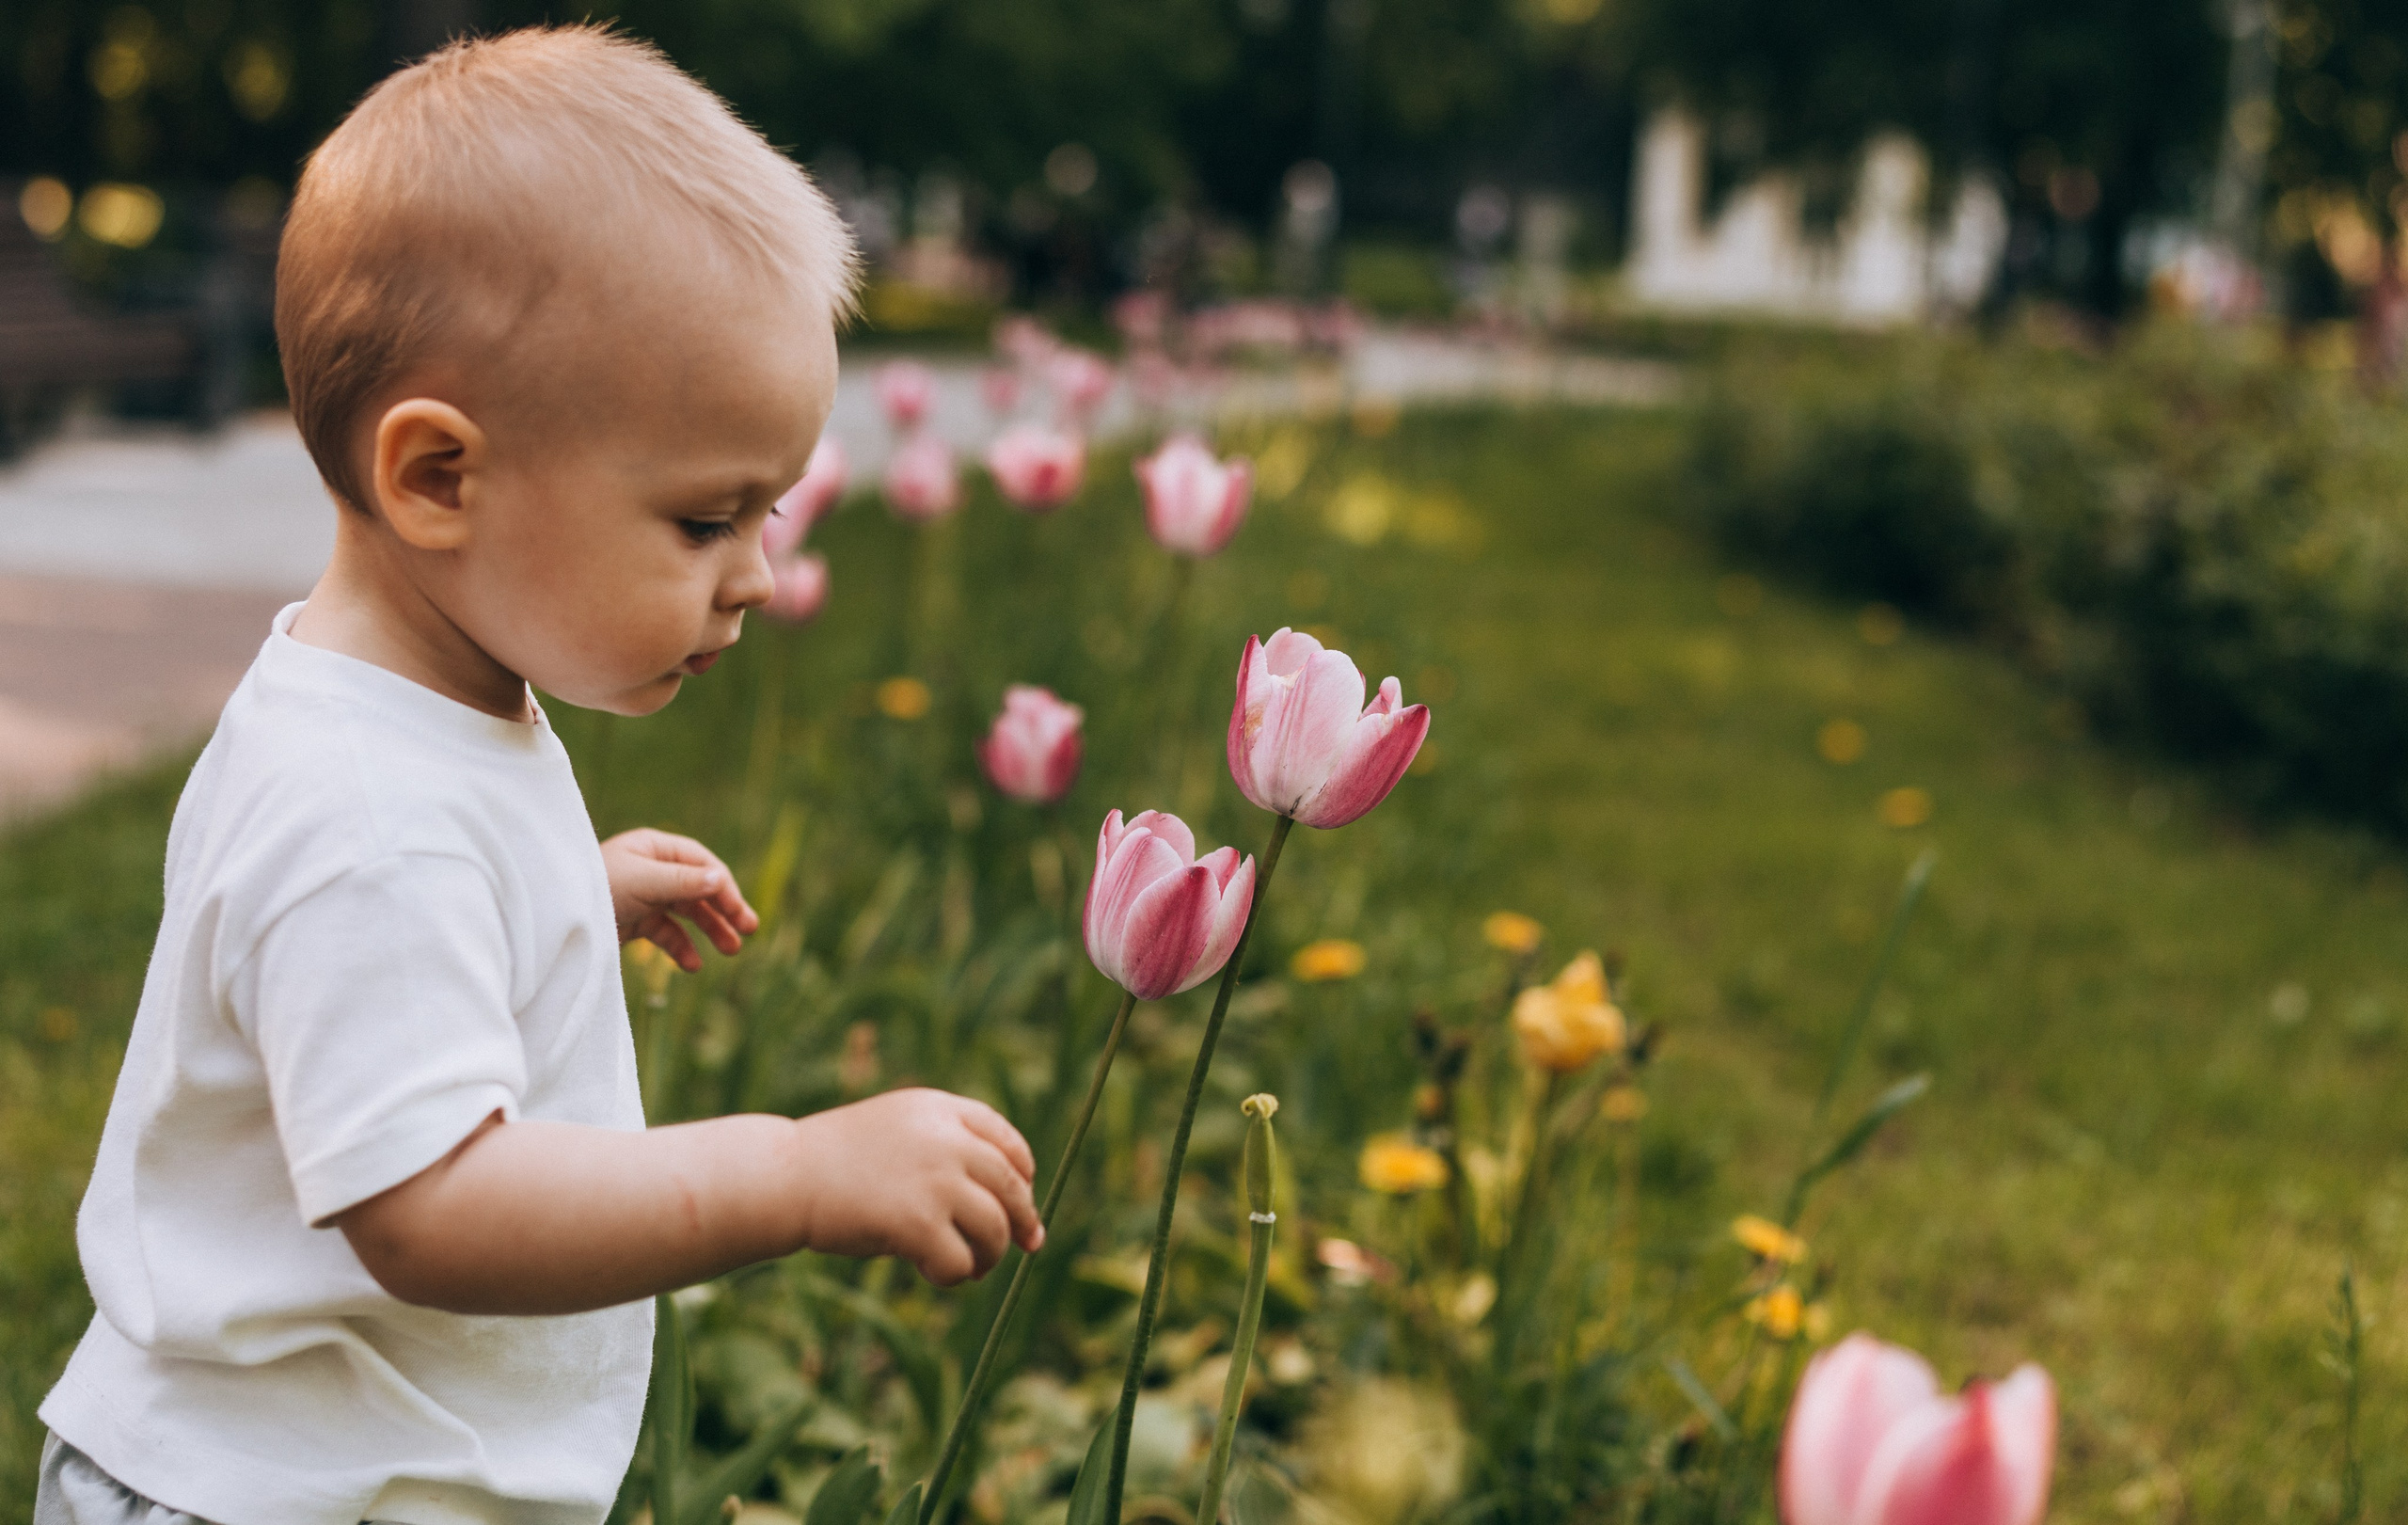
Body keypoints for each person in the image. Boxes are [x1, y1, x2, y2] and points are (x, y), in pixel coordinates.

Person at [34, 26, 1041, 1525]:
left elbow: (390, 934)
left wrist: (558, 893)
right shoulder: (370, 826)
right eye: (704, 520)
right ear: (440, 478)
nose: (758, 576)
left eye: (766, 515)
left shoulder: (406, 718)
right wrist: (796, 1172)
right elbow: (434, 1208)